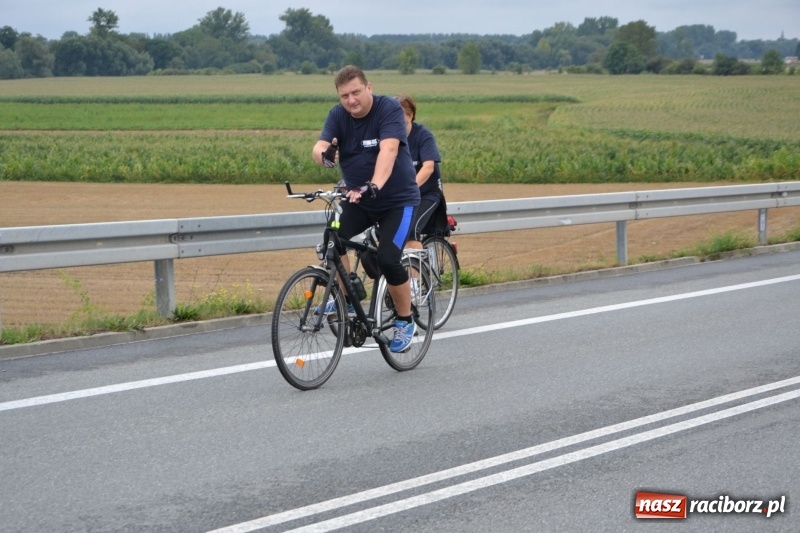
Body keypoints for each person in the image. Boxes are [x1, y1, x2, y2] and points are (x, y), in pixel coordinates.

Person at [312, 65, 420, 353]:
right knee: (331, 241)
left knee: (387, 258)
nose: (351, 100)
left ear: (368, 87)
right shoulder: (338, 116)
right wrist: (325, 156)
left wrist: (373, 185)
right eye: (344, 95)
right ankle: (347, 298)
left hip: (398, 201)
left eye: (356, 92)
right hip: (359, 199)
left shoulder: (388, 109)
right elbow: (319, 146)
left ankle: (405, 319)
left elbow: (389, 151)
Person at [395, 94, 448, 251]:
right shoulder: (389, 137)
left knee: (411, 231)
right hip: (400, 196)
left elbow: (428, 167)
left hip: (427, 193)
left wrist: (409, 188)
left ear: (410, 116)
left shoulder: (422, 135)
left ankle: (413, 276)